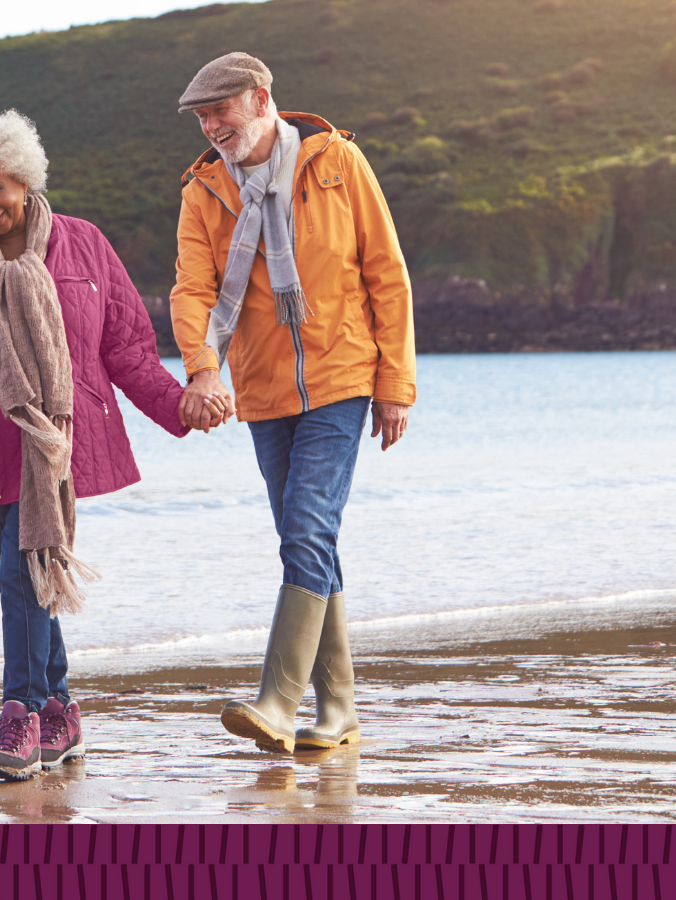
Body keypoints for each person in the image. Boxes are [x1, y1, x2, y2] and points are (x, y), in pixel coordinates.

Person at [0, 109, 217, 781]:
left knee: (20, 576)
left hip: (60, 445)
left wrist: (181, 407)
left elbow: (129, 350)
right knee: (28, 576)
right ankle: (59, 711)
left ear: (23, 180)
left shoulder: (83, 246)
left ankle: (20, 718)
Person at [169, 53, 417, 753]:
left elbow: (387, 276)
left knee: (305, 529)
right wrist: (202, 370)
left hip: (343, 378)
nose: (212, 126)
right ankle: (338, 711)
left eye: (221, 110)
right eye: (202, 117)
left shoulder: (336, 162)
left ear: (261, 99)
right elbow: (192, 291)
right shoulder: (203, 191)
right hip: (262, 388)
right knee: (309, 539)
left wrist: (396, 385)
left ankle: (278, 701)